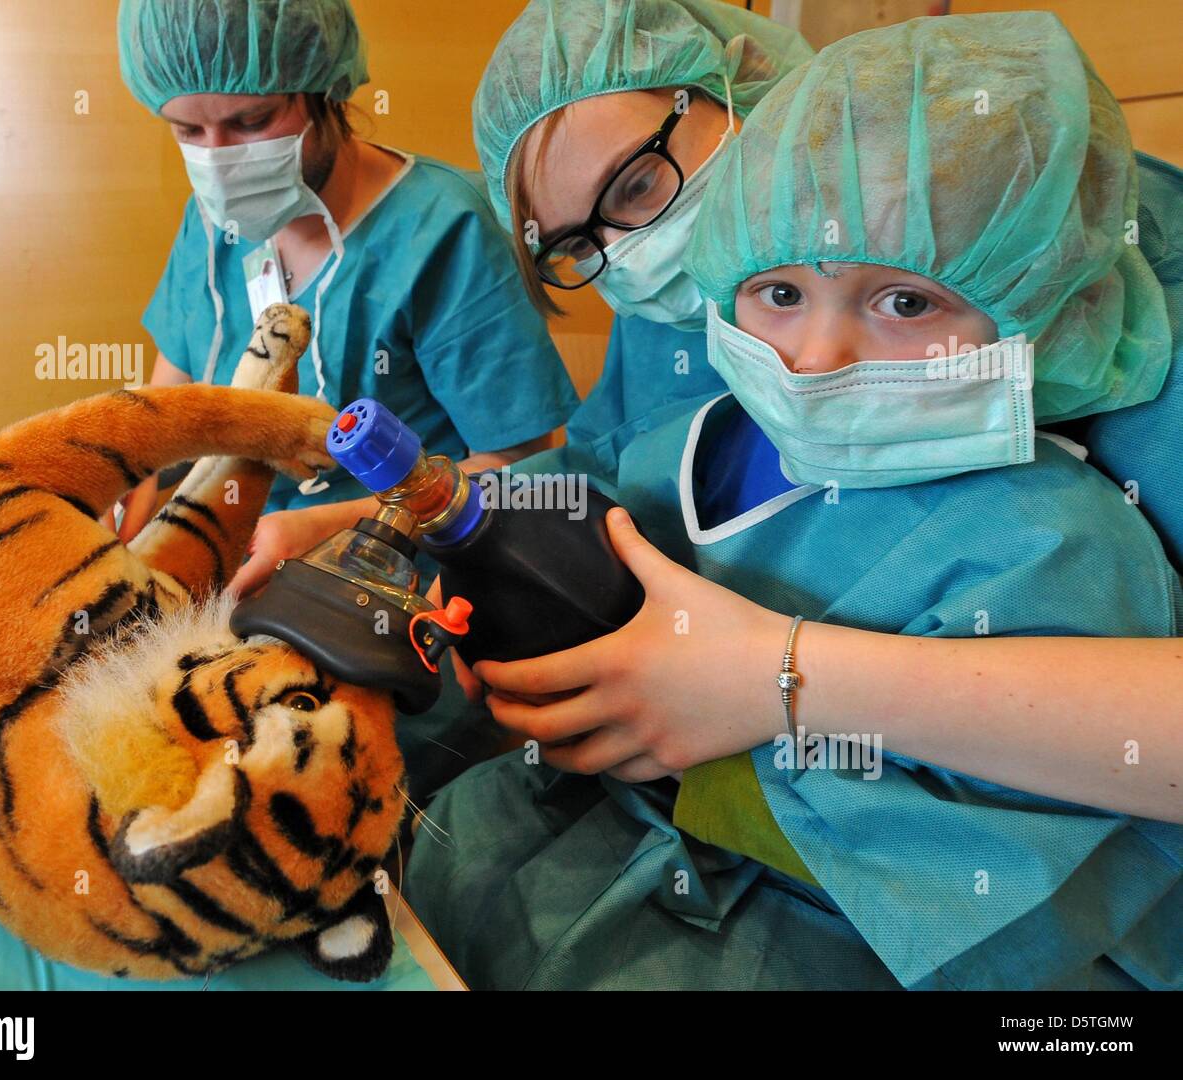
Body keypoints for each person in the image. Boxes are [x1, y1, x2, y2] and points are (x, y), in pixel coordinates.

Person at [404, 12, 1183, 991]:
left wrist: (754, 702)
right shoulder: (702, 390)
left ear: (1044, 307)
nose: (812, 363)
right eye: (773, 293)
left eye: (904, 303)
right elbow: (604, 466)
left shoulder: (1059, 541)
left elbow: (998, 885)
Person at [111, 0, 580, 595]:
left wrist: (327, 526)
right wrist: (125, 471)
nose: (220, 159)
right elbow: (171, 387)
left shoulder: (444, 231)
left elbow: (520, 469)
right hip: (231, 554)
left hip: (402, 581)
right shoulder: (208, 222)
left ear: (325, 88)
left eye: (252, 121)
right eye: (188, 131)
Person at [473, 0, 812, 476]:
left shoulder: (900, 268)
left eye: (638, 185)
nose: (629, 256)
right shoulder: (653, 328)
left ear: (736, 84)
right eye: (579, 244)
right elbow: (603, 461)